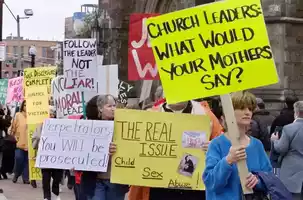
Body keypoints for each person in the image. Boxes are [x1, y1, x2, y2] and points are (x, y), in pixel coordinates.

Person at [129, 99, 222, 200]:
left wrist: (213, 147)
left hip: (194, 186)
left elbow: (222, 146)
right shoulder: (151, 115)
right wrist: (116, 149)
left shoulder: (205, 114)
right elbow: (134, 147)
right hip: (158, 187)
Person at [203, 91, 272, 199]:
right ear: (229, 112)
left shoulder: (257, 145)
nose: (247, 112)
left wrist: (257, 180)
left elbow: (269, 178)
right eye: (242, 108)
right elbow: (211, 183)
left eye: (250, 109)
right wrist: (228, 160)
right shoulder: (216, 144)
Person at [80, 95, 129, 200]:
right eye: (109, 106)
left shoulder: (124, 126)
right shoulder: (88, 127)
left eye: (114, 106)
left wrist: (117, 149)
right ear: (100, 108)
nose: (113, 109)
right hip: (95, 180)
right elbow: (81, 150)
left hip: (116, 181)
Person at [271, 101, 303, 200]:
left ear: (296, 112)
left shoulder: (289, 128)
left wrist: (274, 141)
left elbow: (281, 148)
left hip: (292, 170)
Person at [32, 106, 62, 200]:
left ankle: (55, 193)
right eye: (49, 113)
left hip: (57, 156)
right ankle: (47, 196)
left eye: (53, 113)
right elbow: (35, 139)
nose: (51, 115)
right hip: (45, 156)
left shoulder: (60, 125)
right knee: (46, 177)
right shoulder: (40, 125)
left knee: (57, 177)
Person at [10, 100, 31, 184]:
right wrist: (13, 132)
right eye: (25, 105)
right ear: (22, 106)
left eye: (28, 105)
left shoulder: (33, 116)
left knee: (27, 161)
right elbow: (13, 127)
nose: (26, 107)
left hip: (30, 143)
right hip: (20, 142)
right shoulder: (18, 115)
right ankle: (17, 173)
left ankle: (26, 178)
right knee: (19, 159)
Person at [0, 105, 13, 180]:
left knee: (3, 157)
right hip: (2, 139)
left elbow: (8, 124)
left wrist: (5, 115)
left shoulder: (5, 116)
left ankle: (3, 171)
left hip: (3, 140)